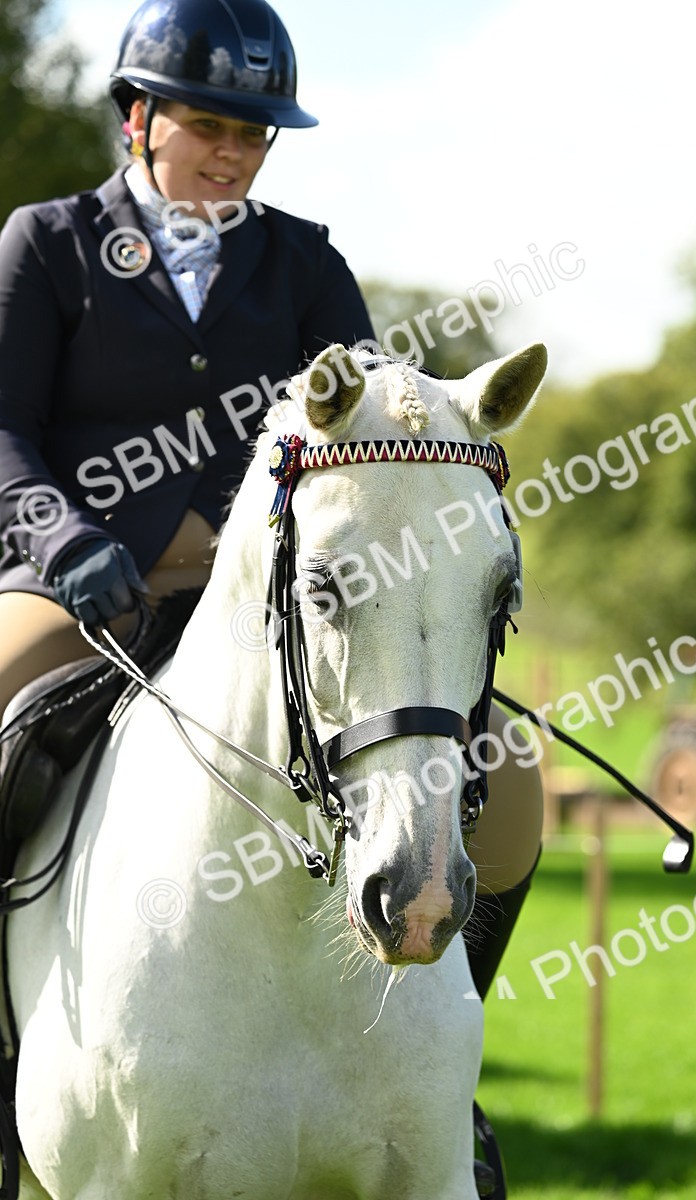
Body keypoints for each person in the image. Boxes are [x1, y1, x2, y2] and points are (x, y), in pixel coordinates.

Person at [0, 0, 540, 1017]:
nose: (232, 154)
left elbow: (377, 431)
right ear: (139, 118)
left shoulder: (304, 262)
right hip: (85, 587)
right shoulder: (48, 244)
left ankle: (445, 1044)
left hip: (276, 605)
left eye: (253, 134)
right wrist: (62, 536)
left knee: (507, 783)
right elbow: (4, 431)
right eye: (208, 126)